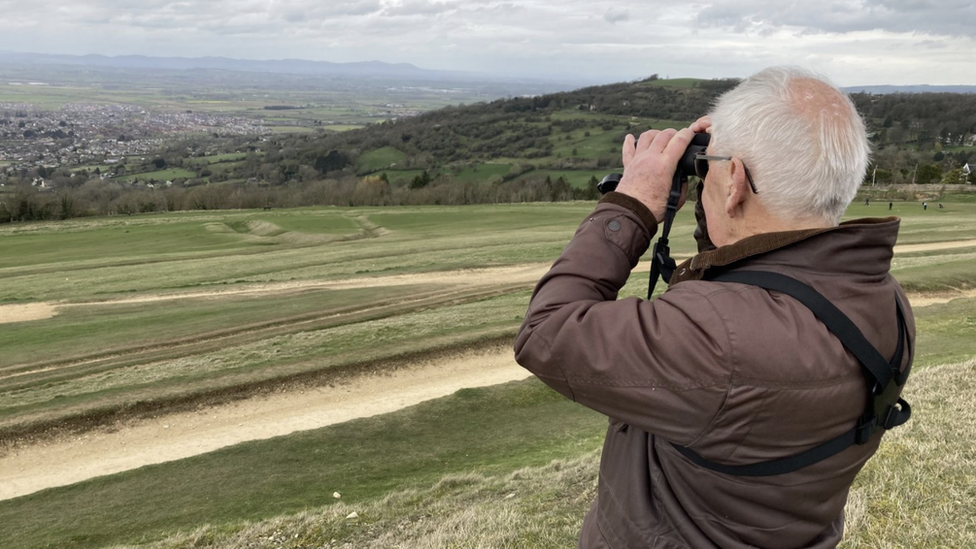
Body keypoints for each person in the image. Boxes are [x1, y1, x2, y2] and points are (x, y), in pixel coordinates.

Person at [514, 67, 914, 548]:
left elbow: (545, 331)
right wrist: (716, 189)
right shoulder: (885, 302)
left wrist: (634, 203)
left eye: (713, 171)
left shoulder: (720, 339)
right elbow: (754, 270)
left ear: (736, 182)